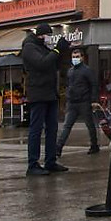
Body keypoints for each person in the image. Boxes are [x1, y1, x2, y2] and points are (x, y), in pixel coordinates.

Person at [21, 22, 68, 176]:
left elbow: (55, 64)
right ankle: (32, 164)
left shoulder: (42, 47)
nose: (49, 38)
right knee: (36, 129)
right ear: (41, 35)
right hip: (38, 93)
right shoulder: (29, 47)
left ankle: (50, 160)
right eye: (47, 35)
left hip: (50, 93)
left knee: (52, 128)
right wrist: (56, 50)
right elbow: (42, 63)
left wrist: (63, 51)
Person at [55, 47, 100, 157]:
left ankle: (94, 145)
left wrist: (93, 100)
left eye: (77, 57)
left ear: (82, 58)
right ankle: (58, 148)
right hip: (72, 102)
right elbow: (69, 85)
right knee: (67, 126)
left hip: (84, 102)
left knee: (90, 125)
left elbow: (94, 85)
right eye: (73, 57)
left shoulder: (87, 70)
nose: (75, 59)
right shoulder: (70, 71)